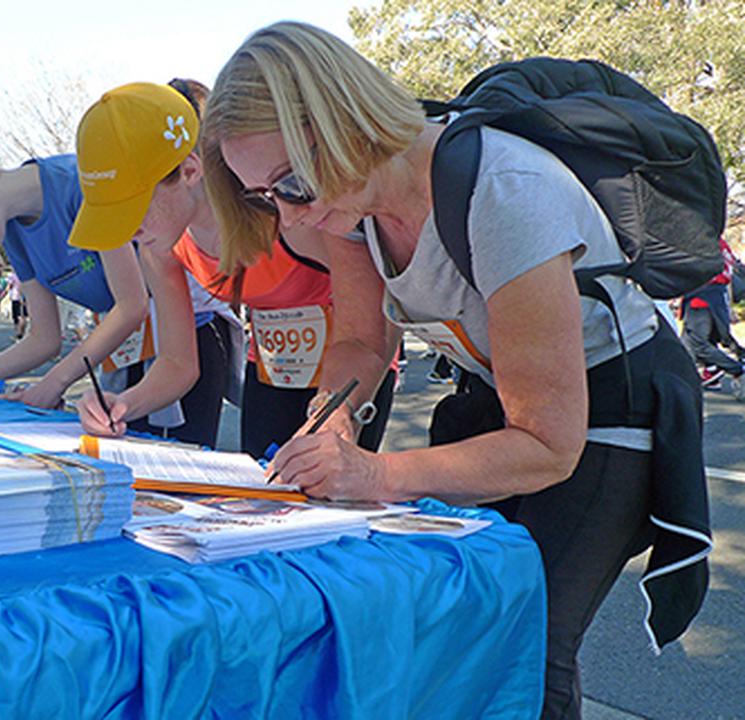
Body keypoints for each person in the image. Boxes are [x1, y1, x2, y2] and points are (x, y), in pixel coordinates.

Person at [201, 22, 709, 719]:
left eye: (290, 183)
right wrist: (329, 420)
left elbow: (547, 445)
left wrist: (375, 474)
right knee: (457, 615)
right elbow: (360, 341)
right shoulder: (347, 206)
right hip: (503, 400)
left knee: (528, 641)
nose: (288, 215)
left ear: (341, 118)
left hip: (611, 408)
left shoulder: (504, 191)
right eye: (265, 196)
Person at [71, 80, 391, 456]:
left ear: (189, 171)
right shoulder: (161, 247)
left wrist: (340, 411)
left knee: (330, 478)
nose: (129, 231)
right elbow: (177, 363)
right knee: (263, 481)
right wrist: (123, 404)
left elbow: (382, 309)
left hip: (353, 368)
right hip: (275, 368)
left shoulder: (283, 211)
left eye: (133, 209)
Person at [0, 141, 196, 430]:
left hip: (184, 332)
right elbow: (44, 338)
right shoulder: (12, 231)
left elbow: (131, 305)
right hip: (123, 351)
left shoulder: (82, 185)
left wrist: (53, 383)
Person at [681, 237, 745, 397]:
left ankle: (737, 370)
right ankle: (712, 373)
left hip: (701, 298)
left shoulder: (701, 241)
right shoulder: (720, 244)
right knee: (700, 341)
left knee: (696, 344)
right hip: (716, 297)